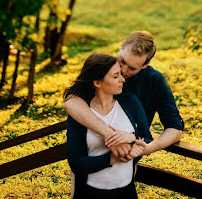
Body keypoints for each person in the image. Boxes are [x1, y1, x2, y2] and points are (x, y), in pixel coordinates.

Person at [63, 31, 184, 162]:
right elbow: (71, 101)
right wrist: (109, 134)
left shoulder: (154, 80)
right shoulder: (102, 66)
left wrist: (148, 148)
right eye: (122, 61)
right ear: (121, 48)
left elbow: (175, 128)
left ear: (145, 65)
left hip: (128, 159)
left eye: (132, 68)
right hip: (89, 153)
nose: (123, 71)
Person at [64, 53, 152, 198]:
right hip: (90, 193)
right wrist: (113, 158)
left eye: (120, 74)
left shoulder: (130, 102)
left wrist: (133, 141)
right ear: (97, 82)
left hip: (127, 191)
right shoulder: (80, 113)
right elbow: (76, 164)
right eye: (115, 76)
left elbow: (146, 137)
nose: (122, 80)